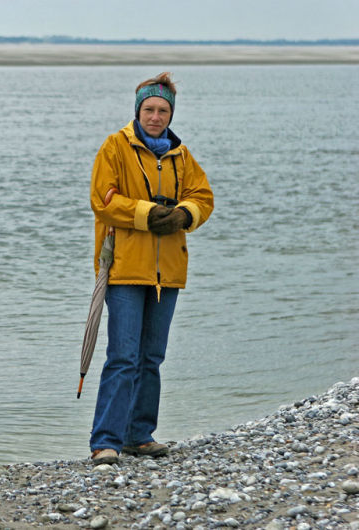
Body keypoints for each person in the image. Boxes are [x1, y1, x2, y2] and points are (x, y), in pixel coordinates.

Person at [88, 72, 214, 465]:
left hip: (167, 273)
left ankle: (139, 436)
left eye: (162, 110)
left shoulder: (181, 155)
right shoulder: (114, 147)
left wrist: (184, 215)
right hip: (124, 270)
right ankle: (105, 441)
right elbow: (103, 200)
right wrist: (147, 213)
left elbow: (203, 197)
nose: (155, 116)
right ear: (137, 110)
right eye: (149, 109)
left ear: (171, 114)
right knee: (122, 357)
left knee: (152, 358)